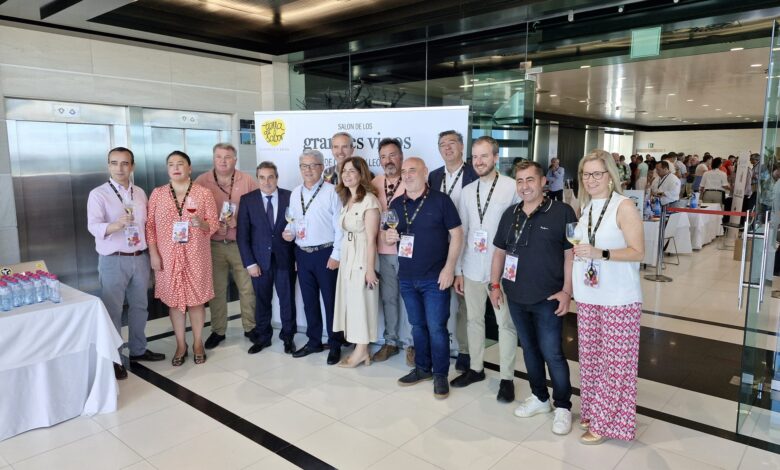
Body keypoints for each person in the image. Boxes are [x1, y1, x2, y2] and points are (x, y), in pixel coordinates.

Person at [489, 160, 576, 435]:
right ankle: (540, 398)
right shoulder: (510, 213)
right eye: (519, 180)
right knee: (529, 349)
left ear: (543, 182)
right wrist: (494, 285)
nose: (524, 186)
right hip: (516, 296)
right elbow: (499, 252)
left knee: (552, 352)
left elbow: (570, 255)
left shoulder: (562, 212)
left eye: (530, 180)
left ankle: (563, 406)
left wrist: (567, 291)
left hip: (549, 298)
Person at [572, 149, 644, 445]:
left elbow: (638, 252)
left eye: (596, 174)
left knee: (616, 364)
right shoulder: (587, 206)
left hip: (619, 297)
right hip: (589, 294)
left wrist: (600, 253)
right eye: (585, 174)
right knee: (591, 359)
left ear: (610, 176)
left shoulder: (623, 206)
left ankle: (606, 422)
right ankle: (593, 411)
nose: (590, 180)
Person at [386, 157, 463, 399]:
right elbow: (389, 233)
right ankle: (422, 368)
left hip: (435, 277)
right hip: (407, 277)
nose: (407, 175)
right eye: (404, 171)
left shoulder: (441, 201)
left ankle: (440, 374)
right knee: (417, 326)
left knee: (437, 328)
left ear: (425, 172)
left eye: (413, 170)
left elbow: (457, 235)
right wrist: (389, 237)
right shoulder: (396, 203)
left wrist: (449, 268)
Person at [450, 136, 519, 403]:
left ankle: (507, 378)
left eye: (484, 156)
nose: (479, 161)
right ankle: (476, 369)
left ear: (495, 157)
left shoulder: (511, 187)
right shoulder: (467, 191)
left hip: (499, 270)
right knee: (473, 320)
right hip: (471, 267)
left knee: (505, 324)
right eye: (475, 157)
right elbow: (462, 233)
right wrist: (458, 270)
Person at [87, 147, 165, 379]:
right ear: (108, 165)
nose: (119, 168)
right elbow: (93, 226)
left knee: (140, 307)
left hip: (139, 258)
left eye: (124, 163)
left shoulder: (139, 192)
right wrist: (116, 225)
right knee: (113, 311)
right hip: (113, 259)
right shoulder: (98, 194)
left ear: (132, 166)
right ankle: (114, 358)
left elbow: (147, 225)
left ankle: (138, 349)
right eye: (114, 163)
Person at [146, 151, 218, 366]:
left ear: (189, 168)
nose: (176, 168)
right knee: (175, 303)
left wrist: (202, 224)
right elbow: (150, 226)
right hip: (167, 257)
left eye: (180, 164)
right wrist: (153, 253)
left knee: (196, 302)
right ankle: (180, 344)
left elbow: (213, 224)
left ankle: (197, 343)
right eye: (171, 164)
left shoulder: (203, 193)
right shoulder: (158, 194)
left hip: (196, 255)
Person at [285, 149, 346, 364]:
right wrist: (289, 232)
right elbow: (293, 222)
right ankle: (314, 342)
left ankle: (335, 344)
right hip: (303, 254)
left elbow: (340, 227)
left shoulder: (332, 191)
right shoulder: (295, 193)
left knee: (330, 302)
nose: (308, 170)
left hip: (326, 254)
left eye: (313, 165)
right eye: (304, 166)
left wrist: (336, 255)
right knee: (309, 302)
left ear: (321, 167)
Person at [194, 143, 258, 350]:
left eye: (228, 157)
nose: (223, 161)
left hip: (240, 244)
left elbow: (258, 211)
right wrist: (211, 224)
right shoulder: (201, 181)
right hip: (212, 245)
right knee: (217, 290)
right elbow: (193, 212)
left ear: (235, 160)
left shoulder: (247, 180)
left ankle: (250, 327)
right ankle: (218, 330)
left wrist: (237, 222)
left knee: (247, 288)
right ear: (213, 158)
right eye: (219, 156)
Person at [427, 130, 477, 372]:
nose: (447, 148)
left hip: (467, 245)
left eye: (452, 143)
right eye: (442, 144)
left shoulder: (474, 174)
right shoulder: (434, 176)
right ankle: (440, 347)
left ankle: (465, 350)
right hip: (438, 246)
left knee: (465, 302)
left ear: (461, 146)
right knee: (438, 301)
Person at [236, 162, 297, 355]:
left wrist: (297, 251)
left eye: (270, 177)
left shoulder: (290, 197)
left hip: (285, 259)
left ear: (277, 178)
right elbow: (242, 236)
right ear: (257, 179)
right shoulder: (248, 200)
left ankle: (288, 337)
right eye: (262, 177)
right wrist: (250, 263)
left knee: (287, 301)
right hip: (259, 262)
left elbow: (299, 226)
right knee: (262, 301)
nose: (266, 181)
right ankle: (263, 338)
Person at [333, 157, 381, 367]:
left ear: (362, 174)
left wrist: (370, 270)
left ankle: (362, 350)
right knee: (352, 303)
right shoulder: (348, 199)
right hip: (348, 256)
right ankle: (361, 350)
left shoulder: (369, 200)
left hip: (362, 256)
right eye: (344, 171)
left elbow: (371, 239)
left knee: (362, 303)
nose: (347, 175)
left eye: (352, 171)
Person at [371, 138, 406, 362]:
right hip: (383, 251)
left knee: (410, 300)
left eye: (392, 155)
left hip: (407, 251)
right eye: (383, 157)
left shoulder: (411, 179)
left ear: (401, 157)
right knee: (389, 298)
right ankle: (391, 341)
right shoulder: (375, 183)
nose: (388, 160)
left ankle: (412, 344)